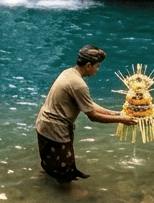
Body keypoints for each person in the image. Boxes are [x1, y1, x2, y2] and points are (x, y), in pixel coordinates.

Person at [35, 45, 135, 186]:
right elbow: (92, 116)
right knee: (64, 171)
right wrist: (121, 119)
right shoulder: (78, 84)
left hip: (44, 124)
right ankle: (65, 195)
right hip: (55, 128)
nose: (97, 70)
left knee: (50, 161)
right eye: (97, 66)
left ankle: (42, 185)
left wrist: (115, 113)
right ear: (88, 65)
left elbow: (89, 104)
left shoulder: (68, 72)